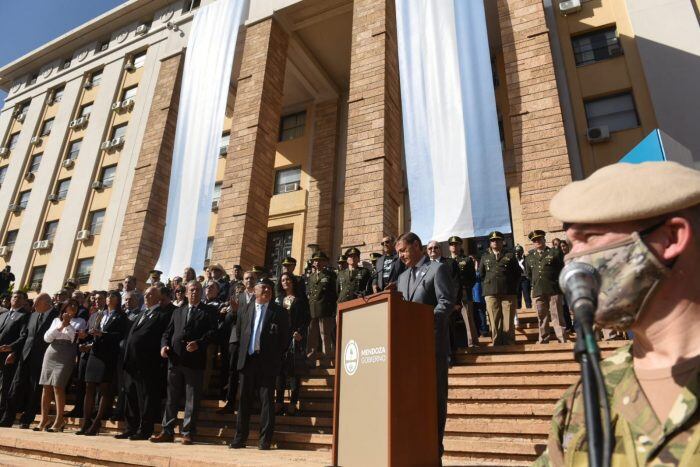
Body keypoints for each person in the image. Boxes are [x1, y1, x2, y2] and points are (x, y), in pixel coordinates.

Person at [534, 161, 700, 465]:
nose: (573, 261)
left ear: (671, 238)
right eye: (571, 245)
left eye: (591, 238)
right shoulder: (584, 400)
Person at [394, 232, 455, 458]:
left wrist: (424, 322)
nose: (400, 256)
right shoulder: (401, 278)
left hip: (431, 347)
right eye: (398, 252)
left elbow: (446, 303)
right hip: (408, 352)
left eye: (403, 250)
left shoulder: (437, 269)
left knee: (434, 401)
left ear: (417, 246)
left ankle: (433, 452)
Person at [151, 281, 216, 445]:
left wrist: (199, 344)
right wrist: (163, 346)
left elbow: (213, 333)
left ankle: (187, 432)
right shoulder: (177, 311)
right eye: (192, 290)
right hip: (175, 359)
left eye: (198, 290)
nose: (195, 292)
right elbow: (167, 332)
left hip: (194, 361)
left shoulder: (209, 311)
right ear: (186, 293)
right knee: (171, 398)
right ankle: (167, 431)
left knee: (191, 399)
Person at [229, 278, 290, 450]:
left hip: (267, 363)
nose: (267, 290)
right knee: (244, 402)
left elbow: (284, 340)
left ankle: (265, 441)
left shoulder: (280, 312)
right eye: (263, 287)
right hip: (248, 361)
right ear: (255, 291)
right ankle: (240, 438)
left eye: (270, 288)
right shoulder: (245, 309)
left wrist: (274, 356)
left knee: (266, 402)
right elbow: (240, 333)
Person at [116, 286, 172, 440]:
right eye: (145, 294)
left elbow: (161, 336)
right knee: (131, 397)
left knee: (145, 399)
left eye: (150, 294)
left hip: (147, 364)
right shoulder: (142, 313)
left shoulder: (162, 315)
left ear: (159, 298)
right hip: (131, 364)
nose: (146, 297)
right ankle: (130, 427)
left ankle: (144, 430)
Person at [0, 293, 57, 428]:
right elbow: (25, 335)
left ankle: (27, 419)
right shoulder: (33, 315)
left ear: (46, 302)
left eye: (37, 303)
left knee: (34, 389)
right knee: (16, 386)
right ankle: (8, 417)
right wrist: (13, 349)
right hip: (25, 356)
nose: (34, 306)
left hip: (42, 357)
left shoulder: (56, 316)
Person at [77, 291, 129, 436]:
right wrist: (86, 339)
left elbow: (120, 336)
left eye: (113, 296)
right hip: (94, 354)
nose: (109, 299)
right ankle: (86, 421)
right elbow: (91, 333)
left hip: (109, 355)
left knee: (105, 389)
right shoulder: (99, 314)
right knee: (89, 386)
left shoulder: (121, 316)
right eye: (108, 297)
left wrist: (102, 334)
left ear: (118, 300)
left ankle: (97, 422)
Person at [39, 299, 86, 432]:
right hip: (52, 351)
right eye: (71, 305)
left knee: (58, 385)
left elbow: (74, 338)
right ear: (64, 307)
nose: (73, 307)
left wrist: (68, 324)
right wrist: (61, 326)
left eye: (76, 305)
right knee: (46, 386)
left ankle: (59, 419)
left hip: (67, 352)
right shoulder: (55, 320)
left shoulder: (81, 321)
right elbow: (47, 338)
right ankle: (44, 418)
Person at [275, 272, 310, 416]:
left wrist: (300, 332)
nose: (285, 282)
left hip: (295, 339)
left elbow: (306, 318)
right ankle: (279, 402)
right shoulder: (278, 299)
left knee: (294, 372)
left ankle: (293, 402)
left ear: (293, 282)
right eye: (283, 280)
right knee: (280, 372)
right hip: (280, 339)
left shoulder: (301, 299)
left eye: (288, 279)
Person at [524, 230, 567, 344]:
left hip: (553, 289)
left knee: (557, 315)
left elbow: (561, 268)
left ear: (544, 239)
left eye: (539, 239)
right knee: (541, 316)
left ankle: (561, 338)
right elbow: (528, 274)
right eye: (534, 240)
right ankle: (543, 338)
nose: (537, 241)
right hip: (538, 290)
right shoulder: (529, 257)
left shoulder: (554, 252)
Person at [478, 231, 519, 345]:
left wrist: (511, 286)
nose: (495, 242)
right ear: (490, 243)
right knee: (494, 320)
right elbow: (481, 274)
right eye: (493, 240)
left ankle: (509, 343)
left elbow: (517, 274)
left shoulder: (510, 255)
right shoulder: (485, 257)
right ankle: (497, 343)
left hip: (508, 292)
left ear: (502, 242)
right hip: (490, 292)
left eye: (497, 240)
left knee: (508, 320)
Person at [0, 291, 30, 422]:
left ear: (24, 301)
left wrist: (12, 349)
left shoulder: (25, 316)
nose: (15, 299)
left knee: (4, 385)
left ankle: (2, 414)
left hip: (9, 355)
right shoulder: (3, 314)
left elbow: (24, 336)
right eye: (14, 296)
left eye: (19, 297)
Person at [448, 236, 478, 348]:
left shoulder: (467, 260)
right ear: (449, 247)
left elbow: (473, 278)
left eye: (456, 244)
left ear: (460, 246)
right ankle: (456, 343)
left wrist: (466, 288)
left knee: (468, 317)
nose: (454, 246)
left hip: (465, 292)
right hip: (451, 294)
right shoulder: (446, 261)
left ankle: (472, 342)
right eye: (452, 244)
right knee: (452, 319)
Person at [306, 252, 337, 363]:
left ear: (325, 262)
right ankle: (310, 361)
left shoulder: (330, 275)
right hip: (312, 310)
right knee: (312, 337)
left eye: (320, 260)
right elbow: (309, 293)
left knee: (325, 336)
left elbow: (334, 293)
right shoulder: (312, 276)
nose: (317, 262)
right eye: (315, 260)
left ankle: (326, 361)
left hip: (325, 310)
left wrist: (333, 310)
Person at [515, 245, 531, 311]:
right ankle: (518, 310)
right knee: (518, 296)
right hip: (517, 279)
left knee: (526, 295)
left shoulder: (526, 259)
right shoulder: (513, 260)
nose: (517, 253)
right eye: (516, 252)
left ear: (522, 252)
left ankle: (529, 309)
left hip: (525, 279)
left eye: (519, 252)